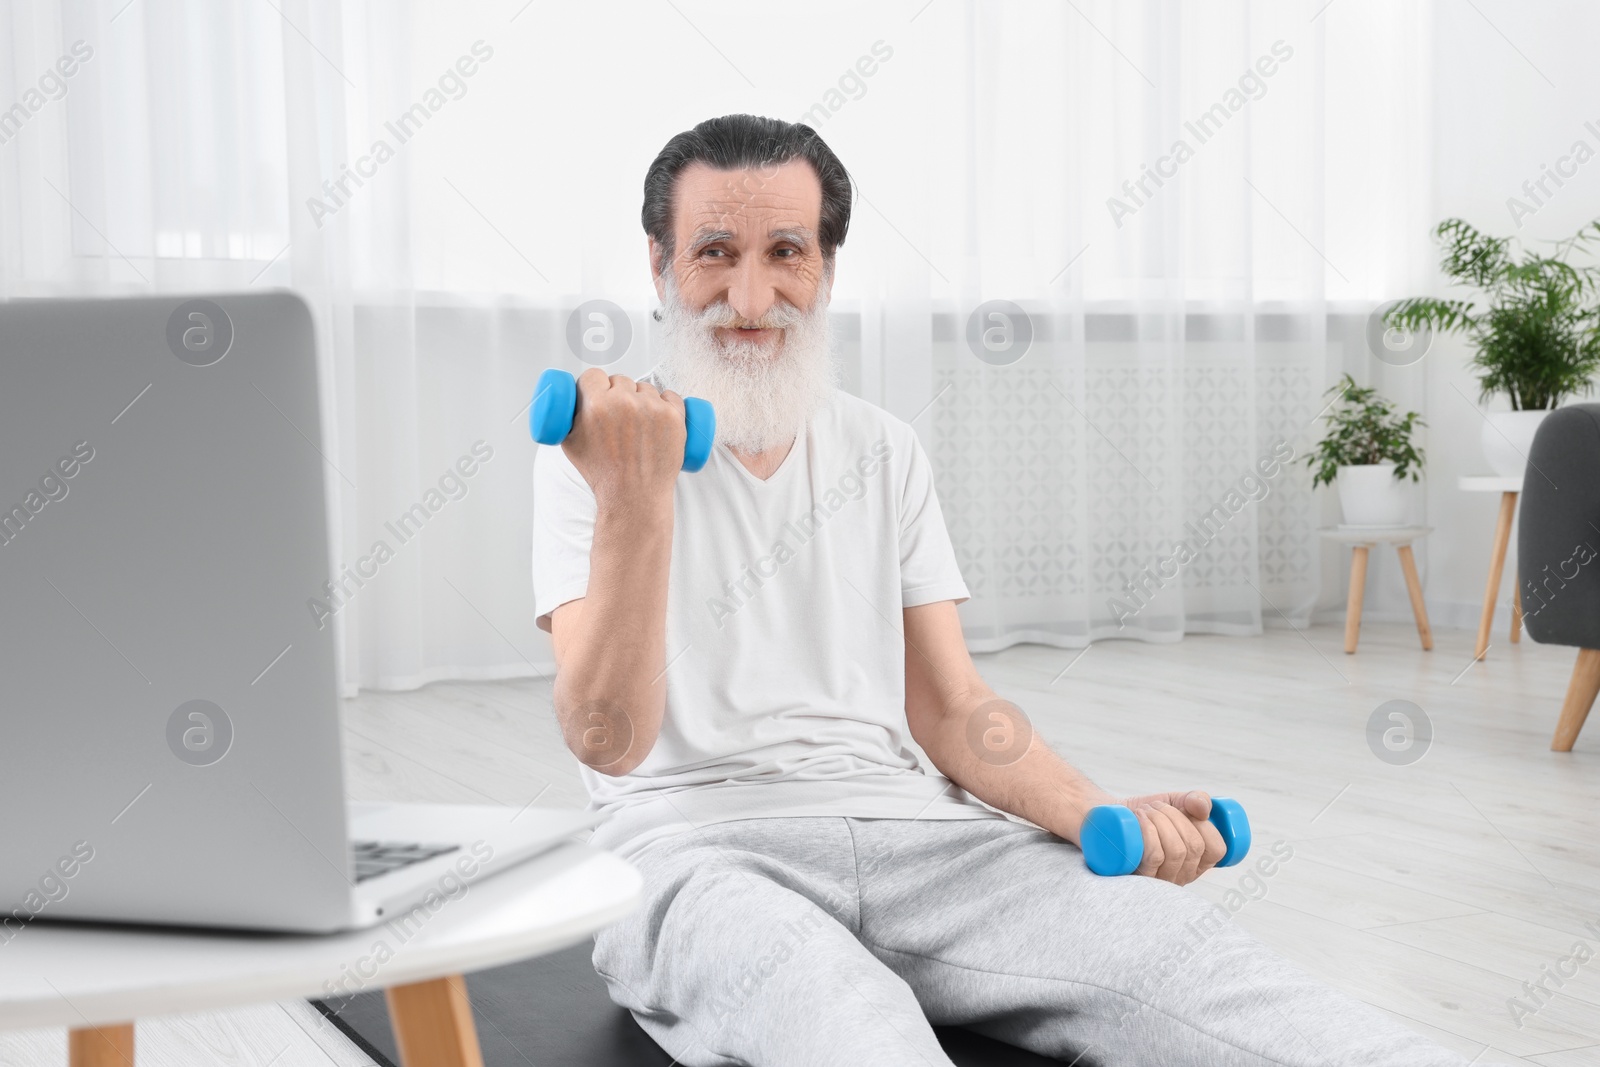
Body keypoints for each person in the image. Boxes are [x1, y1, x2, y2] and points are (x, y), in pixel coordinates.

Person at [531, 114, 1473, 1066]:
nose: (750, 293)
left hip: (923, 838)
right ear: (658, 264)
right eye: (713, 253)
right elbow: (608, 742)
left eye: (786, 251)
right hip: (691, 852)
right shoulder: (602, 447)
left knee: (1199, 968)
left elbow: (952, 706)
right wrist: (637, 498)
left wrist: (1093, 810)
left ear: (826, 269)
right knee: (849, 1022)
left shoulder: (882, 447)